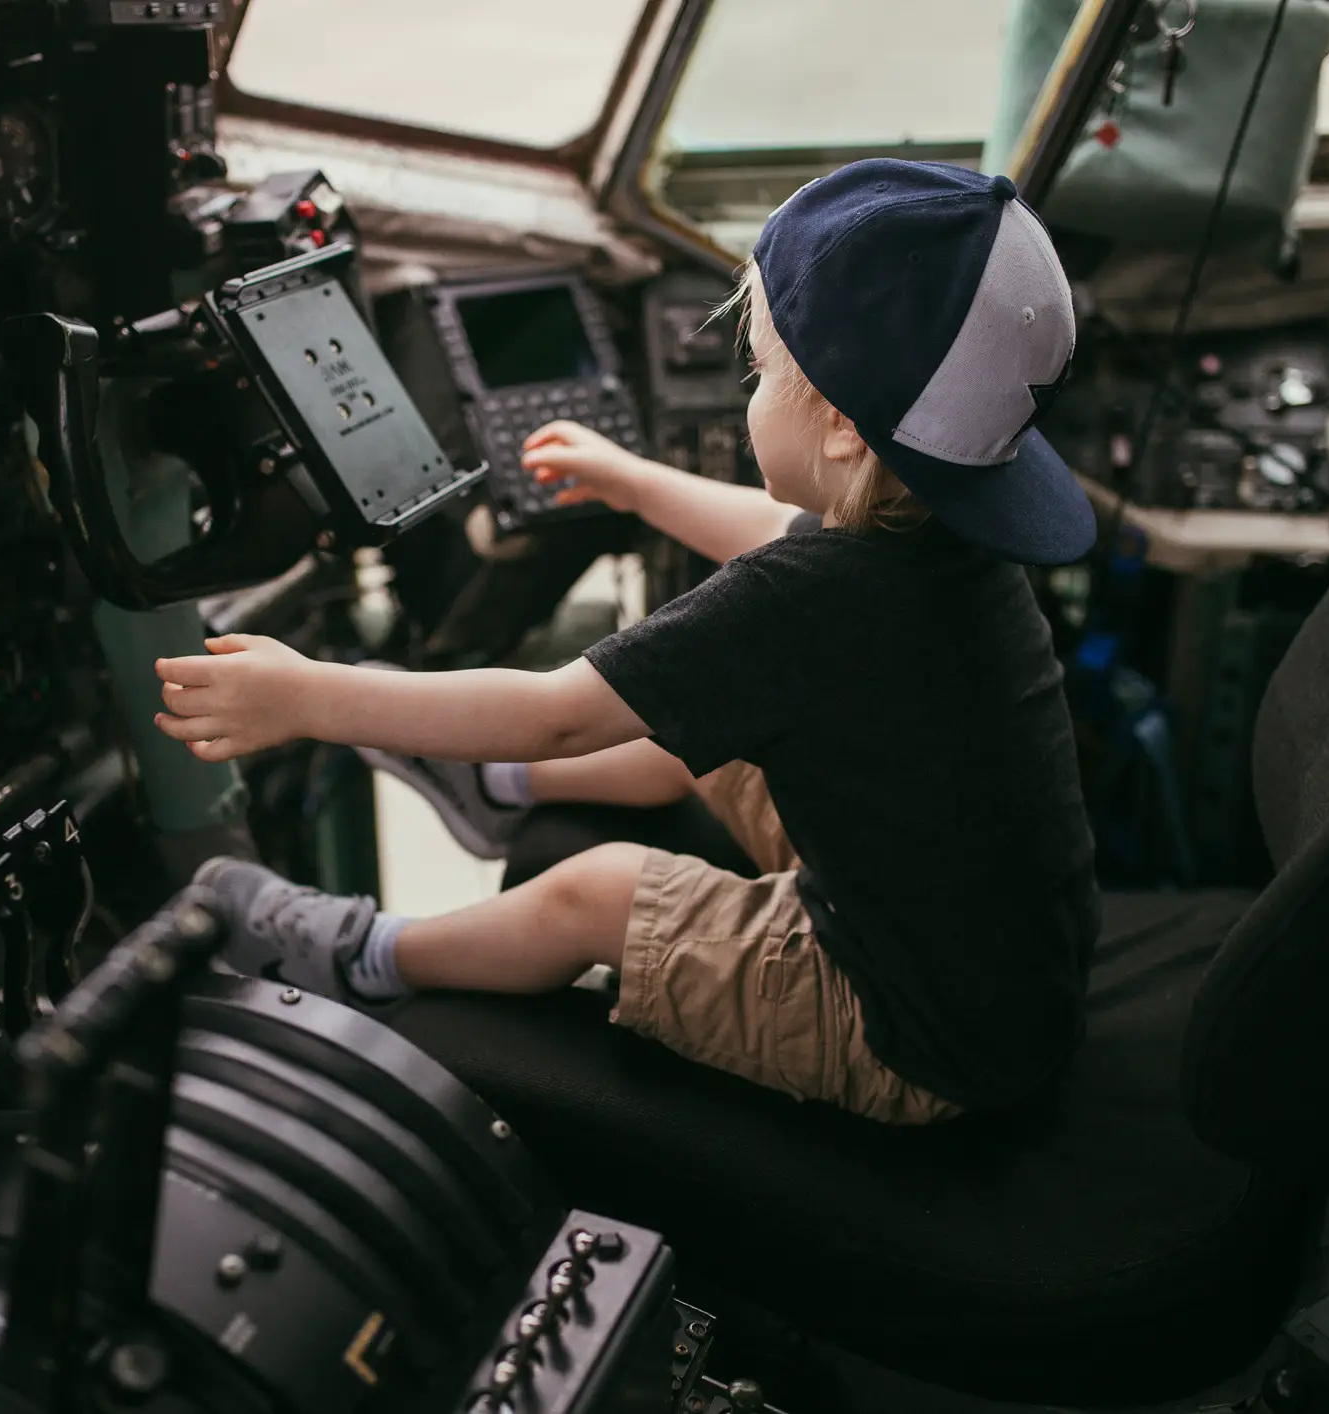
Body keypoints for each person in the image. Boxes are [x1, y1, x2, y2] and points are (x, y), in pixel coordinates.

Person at [153, 160, 1100, 1123]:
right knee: (714, 724)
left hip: (915, 1037)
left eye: (761, 371)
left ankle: (368, 955)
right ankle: (500, 794)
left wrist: (310, 696)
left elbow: (558, 714)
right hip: (1002, 973)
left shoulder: (811, 600)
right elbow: (771, 528)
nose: (749, 388)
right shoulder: (940, 531)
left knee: (597, 893)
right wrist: (633, 482)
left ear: (846, 433)